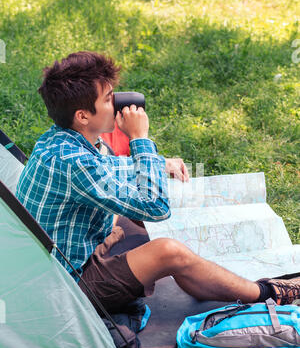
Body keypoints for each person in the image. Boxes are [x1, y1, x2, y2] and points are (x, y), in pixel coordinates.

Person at [16, 51, 300, 316]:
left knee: (139, 215)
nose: (117, 103)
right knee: (168, 250)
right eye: (108, 98)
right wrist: (140, 140)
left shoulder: (60, 140)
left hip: (63, 257)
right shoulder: (72, 162)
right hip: (66, 288)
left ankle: (199, 278)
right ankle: (267, 292)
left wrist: (160, 164)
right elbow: (156, 207)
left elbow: (106, 167)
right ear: (82, 116)